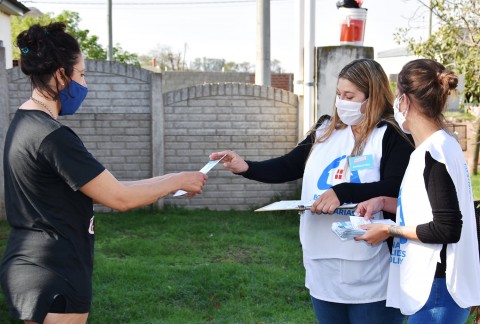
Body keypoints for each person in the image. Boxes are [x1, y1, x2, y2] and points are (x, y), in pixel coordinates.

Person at [0, 22, 208, 324]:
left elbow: (109, 187)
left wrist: (176, 177)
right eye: (81, 74)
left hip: (26, 266)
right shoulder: (53, 136)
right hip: (57, 270)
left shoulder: (23, 123)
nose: (85, 84)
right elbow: (120, 198)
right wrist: (176, 181)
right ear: (61, 74)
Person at [210, 58, 414, 324]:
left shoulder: (391, 134)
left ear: (372, 96)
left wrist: (342, 192)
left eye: (350, 95)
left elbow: (397, 186)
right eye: (339, 94)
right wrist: (245, 167)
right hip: (321, 265)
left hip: (371, 270)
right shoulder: (325, 129)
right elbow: (289, 165)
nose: (342, 101)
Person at [354, 59, 480, 323]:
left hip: (437, 289)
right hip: (438, 289)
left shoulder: (434, 154)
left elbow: (447, 227)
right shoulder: (442, 146)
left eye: (398, 96)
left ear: (405, 101)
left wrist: (389, 229)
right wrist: (382, 202)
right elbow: (429, 205)